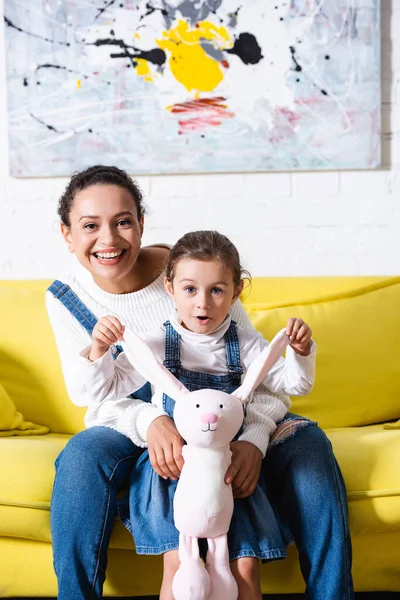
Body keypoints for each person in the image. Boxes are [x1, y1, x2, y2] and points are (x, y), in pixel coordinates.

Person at [46, 165, 354, 600]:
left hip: (228, 414)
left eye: (123, 222)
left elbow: (257, 373)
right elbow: (91, 393)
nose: (109, 241)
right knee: (79, 457)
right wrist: (152, 420)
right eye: (90, 226)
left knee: (310, 445)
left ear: (140, 223)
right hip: (132, 417)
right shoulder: (68, 299)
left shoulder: (196, 268)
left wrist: (254, 436)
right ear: (67, 234)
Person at [78, 229, 316, 600]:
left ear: (236, 292)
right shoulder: (154, 343)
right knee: (177, 565)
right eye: (190, 290)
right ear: (170, 288)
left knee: (244, 567)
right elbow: (102, 392)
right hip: (172, 470)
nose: (202, 303)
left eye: (216, 290)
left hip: (230, 470)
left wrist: (300, 352)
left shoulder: (248, 343)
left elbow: (293, 385)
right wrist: (98, 349)